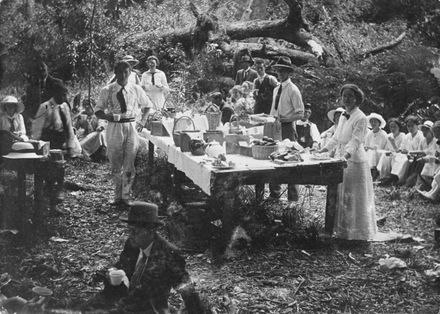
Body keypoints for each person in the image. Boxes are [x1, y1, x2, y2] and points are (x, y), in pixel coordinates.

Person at [85, 202, 206, 313]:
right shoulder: (132, 244)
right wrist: (112, 272)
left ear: (150, 231)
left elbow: (188, 291)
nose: (131, 235)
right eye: (129, 231)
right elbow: (122, 265)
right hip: (125, 300)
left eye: (135, 231)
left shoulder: (169, 254)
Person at [319, 84, 377, 241]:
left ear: (357, 98)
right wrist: (323, 150)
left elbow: (356, 141)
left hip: (354, 160)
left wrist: (345, 155)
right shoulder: (343, 115)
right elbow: (336, 137)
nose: (347, 99)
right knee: (342, 193)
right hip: (341, 156)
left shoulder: (361, 117)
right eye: (344, 96)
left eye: (350, 96)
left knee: (353, 195)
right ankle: (343, 230)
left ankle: (357, 232)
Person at [95, 60, 153, 207]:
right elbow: (98, 111)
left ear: (130, 73)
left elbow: (147, 106)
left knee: (129, 160)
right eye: (119, 72)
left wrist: (142, 122)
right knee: (115, 160)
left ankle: (126, 196)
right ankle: (117, 195)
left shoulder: (136, 89)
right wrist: (109, 117)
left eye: (126, 72)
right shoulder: (107, 90)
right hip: (114, 127)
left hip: (131, 126)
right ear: (115, 73)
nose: (122, 75)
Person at [268, 56, 304, 201]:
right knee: (274, 158)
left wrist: (285, 120)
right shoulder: (276, 88)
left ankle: (293, 198)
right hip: (275, 126)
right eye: (278, 71)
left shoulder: (293, 90)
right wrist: (270, 120)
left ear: (289, 73)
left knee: (290, 161)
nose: (280, 74)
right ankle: (274, 194)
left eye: (283, 71)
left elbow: (300, 113)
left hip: (288, 127)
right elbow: (273, 110)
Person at [32, 80, 81, 157]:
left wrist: (70, 147)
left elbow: (68, 127)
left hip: (61, 139)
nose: (64, 98)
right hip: (47, 140)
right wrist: (37, 147)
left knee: (77, 150)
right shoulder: (45, 107)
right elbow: (37, 129)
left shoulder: (64, 107)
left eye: (65, 95)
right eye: (62, 95)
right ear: (55, 94)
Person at [389, 115, 424, 185]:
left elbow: (421, 151)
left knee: (404, 160)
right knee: (397, 156)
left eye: (412, 126)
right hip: (406, 155)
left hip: (416, 157)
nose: (410, 128)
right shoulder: (407, 136)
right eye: (408, 126)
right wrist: (395, 145)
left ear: (417, 125)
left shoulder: (421, 136)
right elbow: (401, 149)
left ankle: (400, 180)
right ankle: (394, 177)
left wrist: (409, 152)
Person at [377, 118, 405, 184]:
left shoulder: (402, 135)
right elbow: (386, 149)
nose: (393, 129)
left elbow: (400, 150)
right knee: (384, 156)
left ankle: (394, 178)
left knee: (396, 157)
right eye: (391, 127)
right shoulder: (388, 136)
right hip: (390, 154)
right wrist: (387, 152)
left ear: (399, 127)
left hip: (399, 154)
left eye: (394, 126)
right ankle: (383, 177)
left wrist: (393, 142)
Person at [417, 121, 440, 200]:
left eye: (436, 132)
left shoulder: (435, 142)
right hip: (436, 163)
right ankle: (431, 191)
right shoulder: (437, 141)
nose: (435, 134)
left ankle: (433, 194)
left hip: (435, 163)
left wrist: (431, 159)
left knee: (438, 175)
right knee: (436, 174)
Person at [364, 113, 388, 179]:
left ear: (379, 123)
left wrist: (371, 148)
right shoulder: (369, 134)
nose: (373, 123)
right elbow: (366, 145)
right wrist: (367, 148)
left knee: (373, 153)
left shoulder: (383, 134)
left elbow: (382, 147)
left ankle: (374, 171)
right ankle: (367, 172)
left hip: (380, 152)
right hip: (370, 152)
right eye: (371, 121)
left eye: (375, 121)